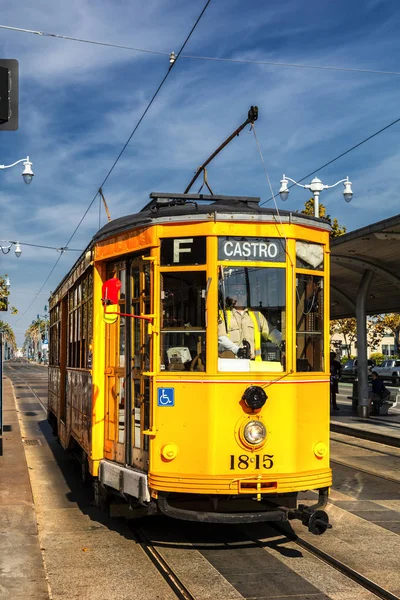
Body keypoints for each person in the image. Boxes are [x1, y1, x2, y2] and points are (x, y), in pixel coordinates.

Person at [218, 285, 282, 361]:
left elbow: (270, 332)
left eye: (242, 293)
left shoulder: (256, 315)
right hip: (231, 364)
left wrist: (282, 341)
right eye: (235, 292)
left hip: (253, 365)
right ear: (230, 296)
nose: (239, 295)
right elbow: (221, 337)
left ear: (246, 295)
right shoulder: (223, 315)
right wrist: (237, 350)